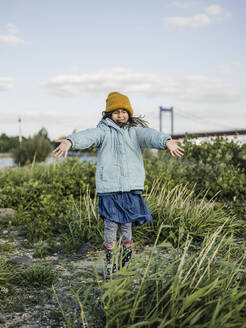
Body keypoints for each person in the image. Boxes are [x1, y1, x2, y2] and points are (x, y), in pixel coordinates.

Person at [53, 91, 184, 279]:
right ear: (108, 114)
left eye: (124, 111)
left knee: (126, 228)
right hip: (110, 189)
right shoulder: (103, 131)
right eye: (116, 112)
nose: (121, 115)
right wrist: (70, 141)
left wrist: (166, 141)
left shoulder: (135, 132)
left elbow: (150, 135)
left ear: (129, 113)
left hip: (130, 189)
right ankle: (109, 264)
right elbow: (88, 136)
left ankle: (125, 264)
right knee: (111, 227)